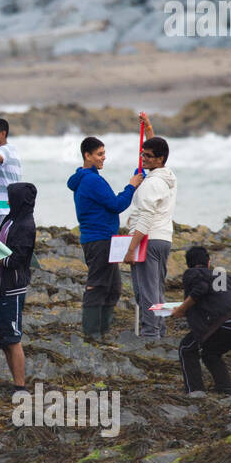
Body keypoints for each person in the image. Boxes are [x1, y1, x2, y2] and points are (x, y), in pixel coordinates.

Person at [67, 136, 143, 340]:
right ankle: (92, 334)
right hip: (99, 239)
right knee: (98, 285)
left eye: (104, 153)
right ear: (87, 155)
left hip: (101, 239)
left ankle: (101, 331)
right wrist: (132, 186)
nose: (103, 158)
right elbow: (116, 204)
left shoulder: (84, 178)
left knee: (113, 288)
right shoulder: (92, 180)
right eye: (99, 154)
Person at [168, 246, 231, 396]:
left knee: (186, 348)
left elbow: (201, 288)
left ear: (188, 264)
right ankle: (226, 388)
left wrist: (181, 309)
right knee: (210, 353)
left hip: (224, 321)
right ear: (208, 262)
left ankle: (195, 391)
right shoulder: (223, 276)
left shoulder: (193, 273)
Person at [123, 126, 177, 341]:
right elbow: (157, 147)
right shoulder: (168, 176)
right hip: (164, 239)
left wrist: (130, 249)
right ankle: (159, 331)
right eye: (142, 154)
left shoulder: (151, 184)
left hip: (148, 240)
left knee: (145, 292)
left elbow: (145, 219)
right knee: (157, 289)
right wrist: (149, 128)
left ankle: (150, 333)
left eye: (148, 156)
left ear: (159, 159)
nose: (143, 159)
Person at [0, 181, 36, 392]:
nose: (8, 201)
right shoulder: (11, 218)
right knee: (4, 338)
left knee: (13, 338)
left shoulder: (26, 225)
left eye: (11, 197)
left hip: (12, 287)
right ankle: (15, 382)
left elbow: (17, 259)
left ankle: (20, 386)